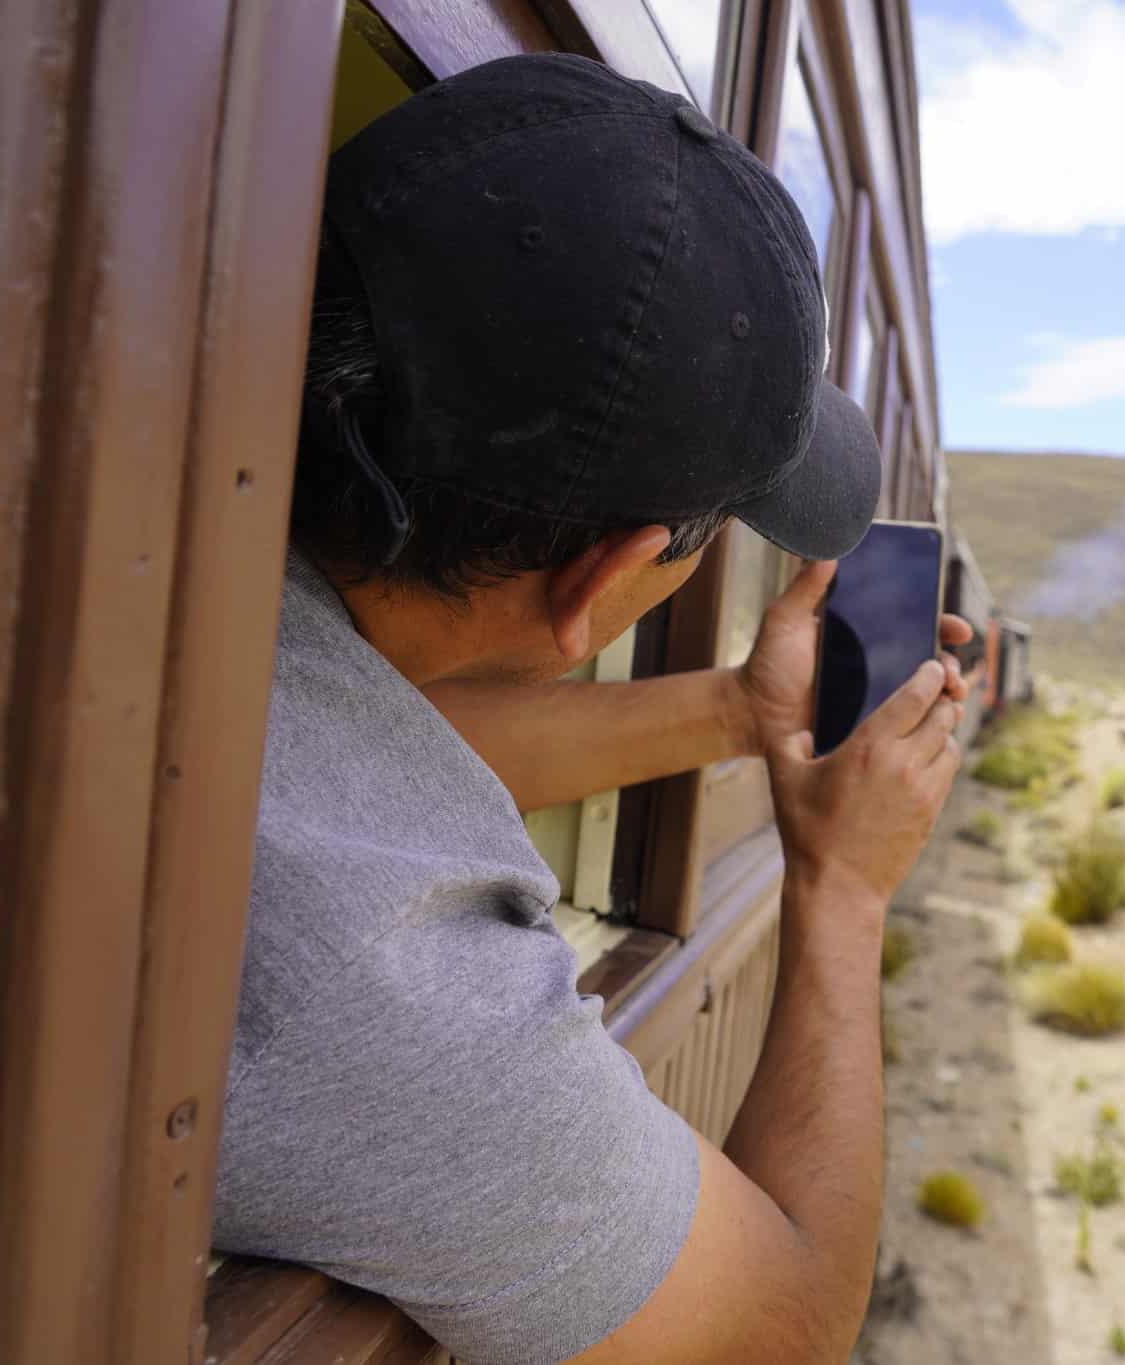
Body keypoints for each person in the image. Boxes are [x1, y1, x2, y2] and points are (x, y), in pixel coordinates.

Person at [212, 53, 967, 1365]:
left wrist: (741, 709)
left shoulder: (189, 592)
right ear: (609, 576)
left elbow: (379, 759)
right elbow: (775, 1329)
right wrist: (842, 894)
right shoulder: (389, 979)